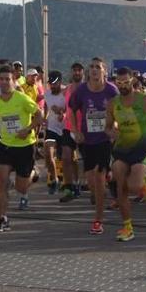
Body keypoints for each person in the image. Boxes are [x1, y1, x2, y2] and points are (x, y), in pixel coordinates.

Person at [105, 67, 146, 241]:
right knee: (120, 186)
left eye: (126, 82)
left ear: (132, 80)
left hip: (141, 148)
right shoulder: (113, 103)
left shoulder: (145, 100)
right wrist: (112, 133)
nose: (123, 85)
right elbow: (107, 127)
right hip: (121, 149)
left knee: (133, 186)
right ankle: (127, 227)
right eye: (119, 82)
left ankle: (145, 183)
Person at [0, 66, 43, 232]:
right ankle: (3, 219)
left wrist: (28, 129)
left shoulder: (22, 98)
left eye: (7, 79)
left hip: (25, 146)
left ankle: (33, 173)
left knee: (20, 187)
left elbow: (39, 115)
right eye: (1, 79)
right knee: (0, 180)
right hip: (6, 147)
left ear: (13, 81)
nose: (4, 82)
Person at [68, 57, 119, 235]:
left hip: (104, 140)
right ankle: (110, 181)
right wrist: (75, 130)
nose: (94, 70)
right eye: (92, 67)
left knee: (98, 178)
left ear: (104, 71)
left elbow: (119, 111)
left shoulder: (112, 90)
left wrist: (114, 128)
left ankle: (98, 220)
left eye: (98, 67)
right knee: (91, 181)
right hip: (87, 140)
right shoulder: (81, 90)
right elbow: (72, 110)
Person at [58, 62, 85, 203]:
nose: (76, 73)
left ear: (83, 73)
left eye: (79, 70)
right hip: (69, 128)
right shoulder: (67, 89)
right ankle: (70, 188)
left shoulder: (88, 88)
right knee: (66, 157)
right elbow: (65, 107)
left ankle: (93, 188)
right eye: (74, 70)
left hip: (84, 129)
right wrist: (61, 112)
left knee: (89, 161)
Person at [43, 71, 67, 196]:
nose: (52, 86)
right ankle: (54, 179)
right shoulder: (47, 94)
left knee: (64, 158)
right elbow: (46, 107)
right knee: (47, 153)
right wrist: (44, 118)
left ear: (60, 82)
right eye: (50, 83)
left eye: (54, 83)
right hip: (51, 128)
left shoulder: (66, 93)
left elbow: (71, 109)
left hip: (64, 129)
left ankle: (68, 182)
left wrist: (63, 113)